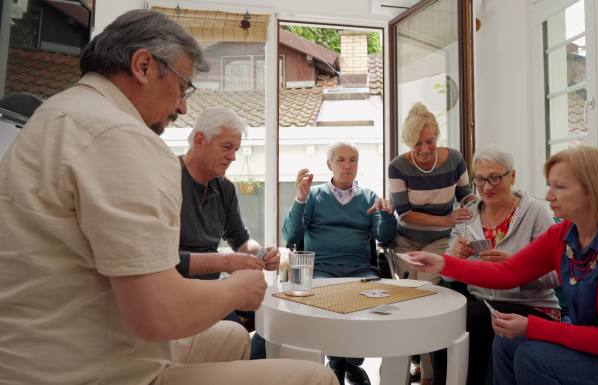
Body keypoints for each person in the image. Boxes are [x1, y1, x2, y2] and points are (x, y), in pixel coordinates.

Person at [0, 10, 337, 385]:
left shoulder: (58, 113)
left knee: (230, 336)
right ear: (143, 66)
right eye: (182, 86)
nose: (182, 107)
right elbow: (158, 313)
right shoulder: (122, 139)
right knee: (315, 377)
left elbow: (237, 239)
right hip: (89, 369)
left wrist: (248, 258)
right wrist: (237, 287)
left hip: (49, 346)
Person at [409, 146, 598, 385]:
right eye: (550, 185)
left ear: (594, 191)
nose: (549, 195)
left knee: (532, 356)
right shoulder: (563, 234)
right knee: (506, 343)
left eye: (559, 187)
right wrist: (444, 262)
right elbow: (509, 272)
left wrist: (530, 327)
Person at [431, 146, 560, 385]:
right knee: (445, 321)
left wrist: (516, 266)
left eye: (495, 178)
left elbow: (555, 275)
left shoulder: (535, 213)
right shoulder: (467, 215)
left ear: (512, 177)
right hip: (485, 303)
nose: (487, 186)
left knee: (471, 318)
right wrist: (455, 257)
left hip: (531, 306)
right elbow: (449, 278)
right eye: (480, 179)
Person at [282, 142, 397, 385]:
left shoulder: (369, 197)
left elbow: (385, 238)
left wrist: (386, 214)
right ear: (329, 165)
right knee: (331, 305)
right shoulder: (313, 196)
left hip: (361, 271)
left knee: (365, 308)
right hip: (321, 270)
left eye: (352, 160)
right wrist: (300, 198)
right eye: (341, 160)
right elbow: (291, 236)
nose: (347, 165)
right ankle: (340, 365)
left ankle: (347, 363)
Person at [388, 102, 476, 384]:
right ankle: (397, 372)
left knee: (424, 297)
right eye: (417, 144)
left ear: (437, 138)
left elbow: (466, 195)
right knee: (406, 304)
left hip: (440, 242)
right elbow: (405, 213)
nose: (424, 149)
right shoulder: (398, 167)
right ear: (408, 143)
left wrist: (482, 205)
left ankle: (427, 376)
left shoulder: (454, 159)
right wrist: (446, 220)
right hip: (407, 239)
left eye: (429, 141)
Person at [177, 107, 279, 340]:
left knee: (272, 318)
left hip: (213, 290)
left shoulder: (225, 188)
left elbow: (240, 239)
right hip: (176, 292)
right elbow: (162, 260)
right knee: (240, 332)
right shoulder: (167, 178)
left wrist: (262, 253)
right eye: (227, 147)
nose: (233, 156)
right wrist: (224, 262)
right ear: (200, 140)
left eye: (236, 149)